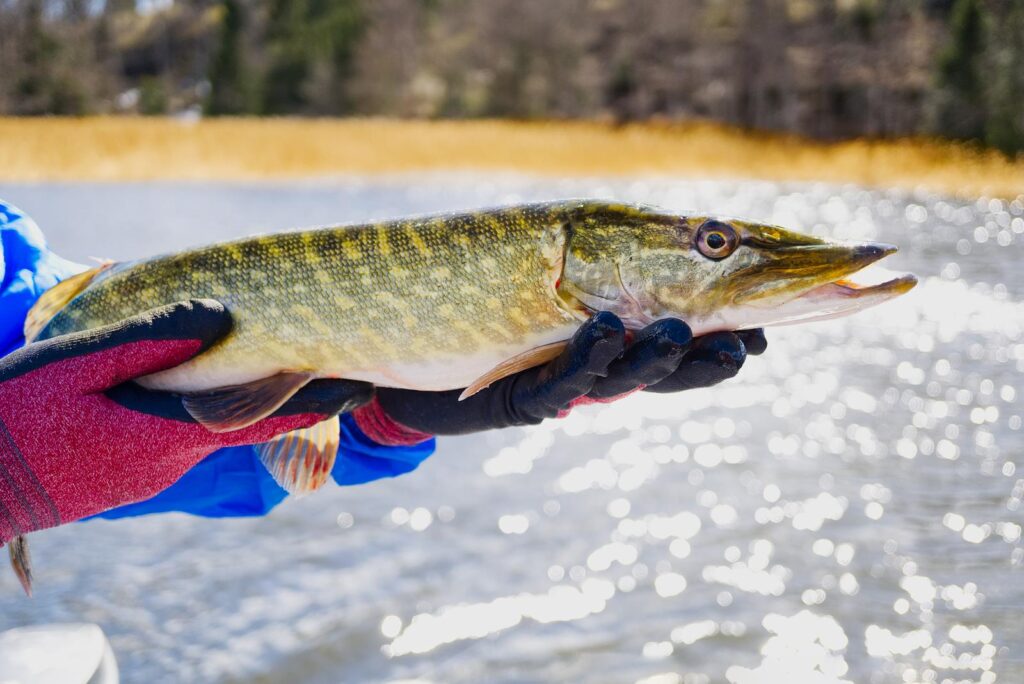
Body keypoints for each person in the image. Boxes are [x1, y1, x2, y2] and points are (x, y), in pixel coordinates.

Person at [0, 199, 766, 546]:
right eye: (711, 247)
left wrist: (384, 420)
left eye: (711, 247)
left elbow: (209, 455)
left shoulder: (26, 283)